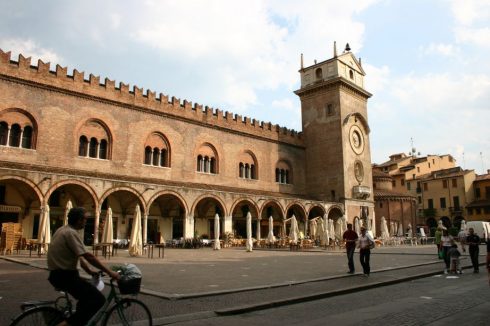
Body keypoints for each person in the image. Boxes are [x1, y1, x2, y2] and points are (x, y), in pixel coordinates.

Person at [47, 207, 120, 326]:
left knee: (85, 300)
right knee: (98, 300)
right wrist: (110, 272)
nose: (86, 222)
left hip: (56, 275)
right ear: (79, 220)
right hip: (66, 276)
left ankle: (78, 321)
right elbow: (88, 256)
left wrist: (90, 272)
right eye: (85, 219)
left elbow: (80, 258)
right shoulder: (71, 233)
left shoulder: (61, 230)